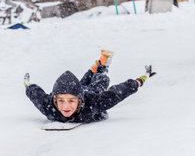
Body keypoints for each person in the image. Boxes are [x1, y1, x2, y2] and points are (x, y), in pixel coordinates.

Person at [24, 50, 156, 123]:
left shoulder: (94, 102)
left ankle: (102, 65)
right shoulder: (49, 107)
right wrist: (28, 84)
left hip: (92, 91)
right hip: (80, 88)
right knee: (82, 82)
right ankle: (94, 68)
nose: (65, 106)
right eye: (61, 101)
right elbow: (35, 94)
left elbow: (117, 93)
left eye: (71, 101)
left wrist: (138, 81)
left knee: (100, 78)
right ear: (54, 100)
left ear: (79, 101)